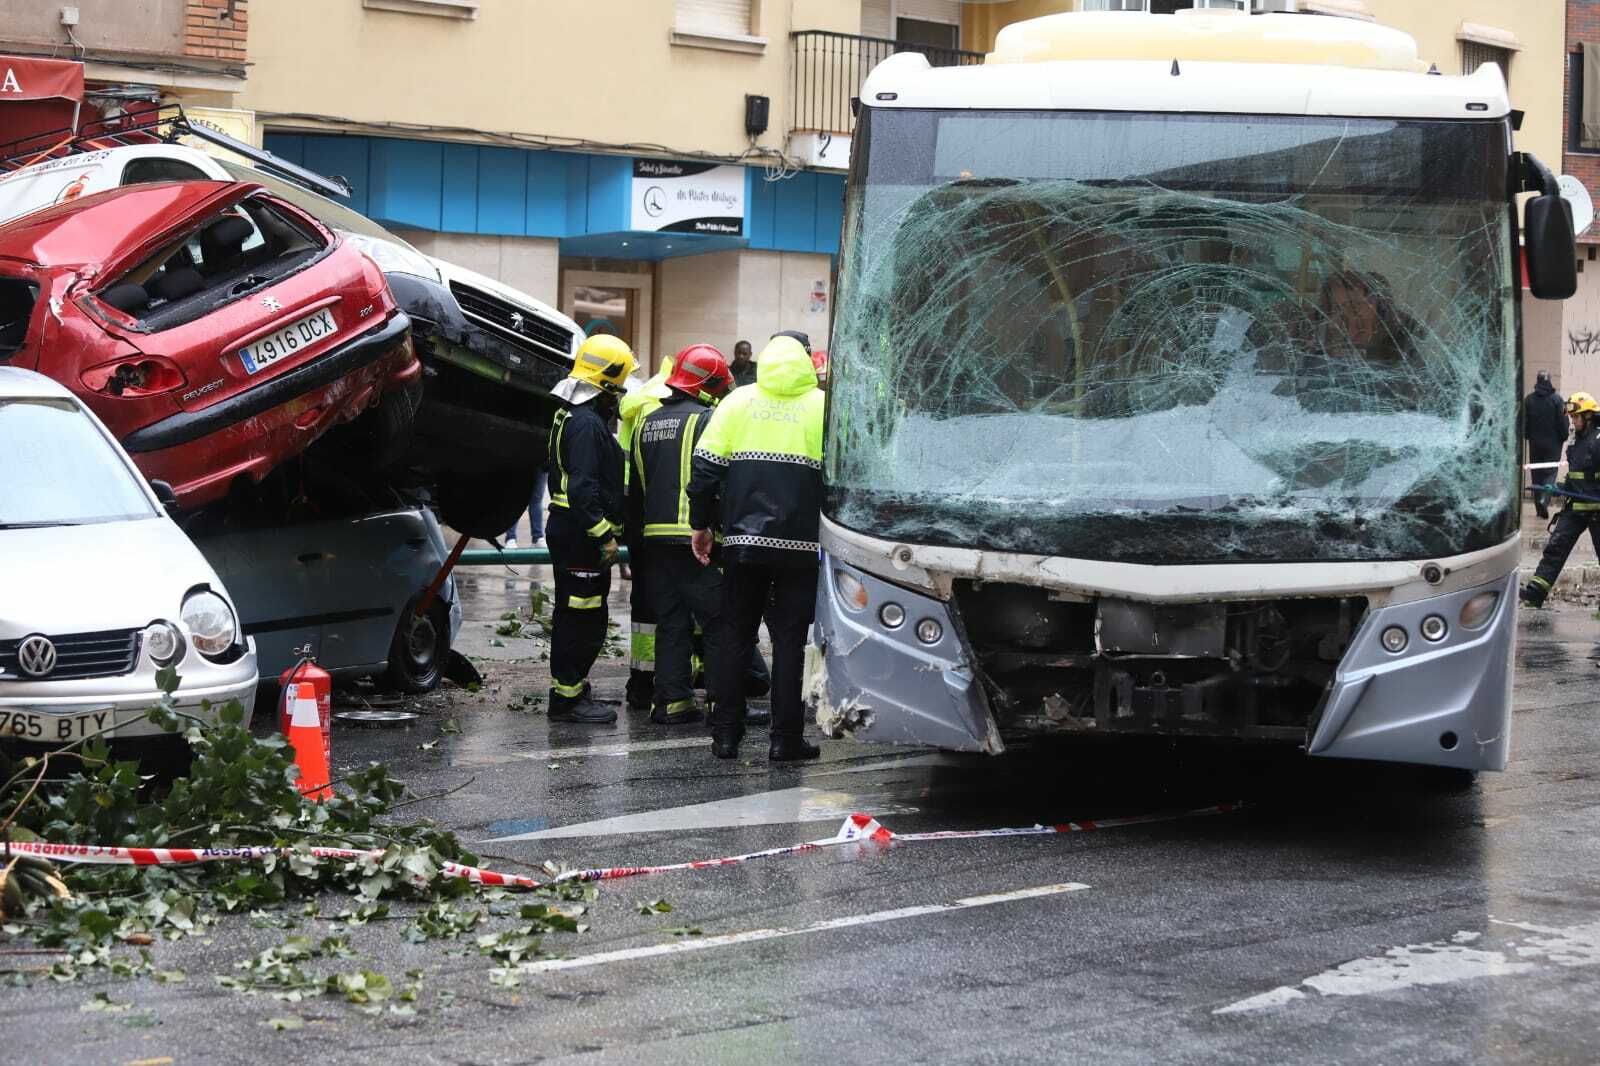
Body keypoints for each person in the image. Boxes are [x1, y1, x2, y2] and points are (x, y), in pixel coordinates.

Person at [687, 334, 825, 761]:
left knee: (735, 636)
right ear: (804, 362)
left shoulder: (737, 402)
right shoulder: (823, 407)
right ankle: (785, 739)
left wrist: (701, 525)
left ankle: (726, 736)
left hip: (742, 545)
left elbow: (705, 469)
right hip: (802, 549)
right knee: (790, 642)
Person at [628, 344, 735, 725]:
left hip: (653, 539)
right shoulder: (706, 419)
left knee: (671, 619)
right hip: (694, 538)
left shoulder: (645, 422)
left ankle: (672, 702)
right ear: (705, 386)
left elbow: (638, 485)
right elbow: (713, 482)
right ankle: (725, 706)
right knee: (720, 620)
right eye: (718, 387)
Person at [544, 334, 637, 722]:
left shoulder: (575, 415)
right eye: (617, 387)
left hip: (574, 532)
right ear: (604, 384)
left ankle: (574, 688)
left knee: (582, 614)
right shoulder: (585, 424)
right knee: (582, 618)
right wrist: (605, 535)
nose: (619, 395)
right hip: (581, 536)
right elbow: (583, 488)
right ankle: (567, 699)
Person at [617, 359, 674, 711]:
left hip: (635, 518)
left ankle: (640, 682)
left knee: (644, 607)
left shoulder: (639, 404)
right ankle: (675, 680)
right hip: (668, 521)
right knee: (675, 605)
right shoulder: (672, 405)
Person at [1522, 392, 1600, 608]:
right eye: (1571, 418)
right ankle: (1535, 593)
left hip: (1597, 511)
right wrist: (1557, 488)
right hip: (1575, 508)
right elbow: (1575, 478)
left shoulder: (1599, 441)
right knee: (1555, 548)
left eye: (1576, 418)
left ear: (1589, 417)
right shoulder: (1577, 443)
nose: (1573, 422)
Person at [1525, 371, 1567, 520]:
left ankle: (1539, 507)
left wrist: (1527, 436)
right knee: (1550, 473)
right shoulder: (1557, 400)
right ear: (1550, 381)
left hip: (1535, 444)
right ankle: (1544, 499)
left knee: (1537, 474)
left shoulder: (1529, 400)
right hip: (1553, 444)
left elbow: (1525, 422)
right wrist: (1563, 437)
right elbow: (1563, 422)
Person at [503, 465, 547, 548]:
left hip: (540, 462)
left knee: (536, 500)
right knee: (515, 500)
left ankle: (538, 537)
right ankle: (511, 538)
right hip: (520, 461)